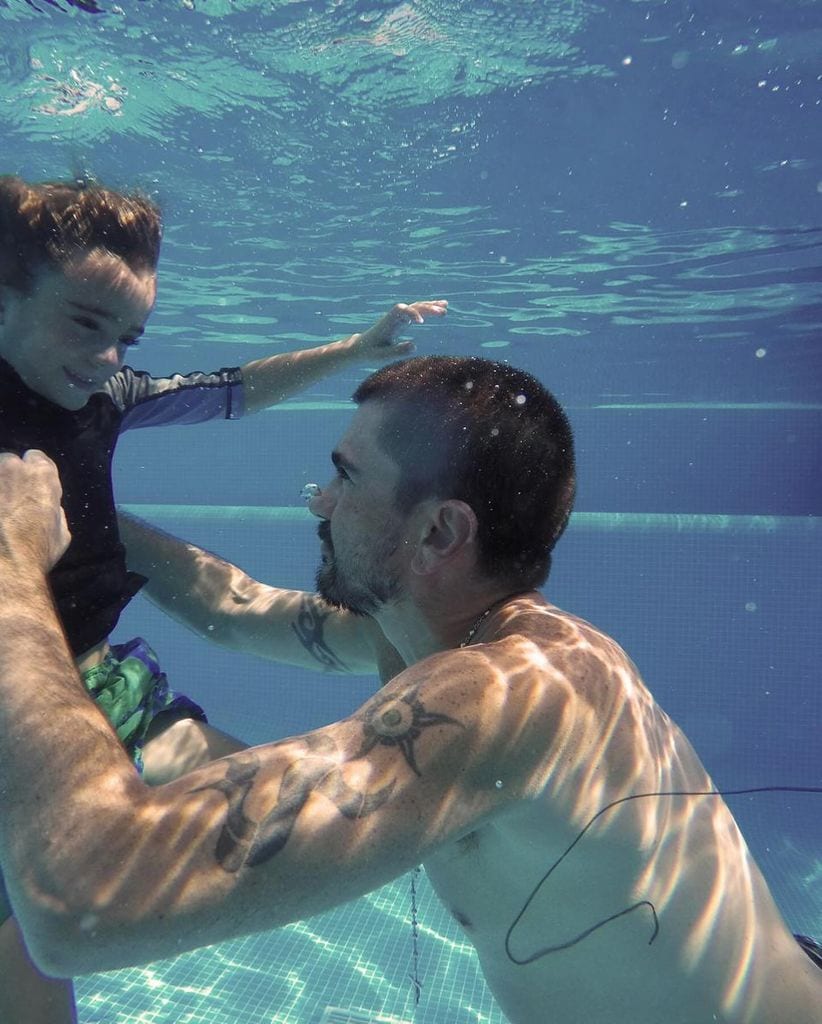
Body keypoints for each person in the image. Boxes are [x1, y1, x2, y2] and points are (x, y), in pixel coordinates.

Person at [0, 356, 820, 1024]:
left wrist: (10, 566)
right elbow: (234, 607)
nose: (319, 503)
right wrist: (84, 513)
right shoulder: (432, 631)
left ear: (439, 531)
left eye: (347, 477)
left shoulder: (497, 696)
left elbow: (81, 896)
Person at [0, 172, 446, 1023]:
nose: (107, 360)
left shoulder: (106, 395)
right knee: (36, 967)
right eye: (87, 324)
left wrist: (355, 349)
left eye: (128, 337)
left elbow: (233, 390)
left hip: (104, 682)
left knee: (310, 823)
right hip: (10, 715)